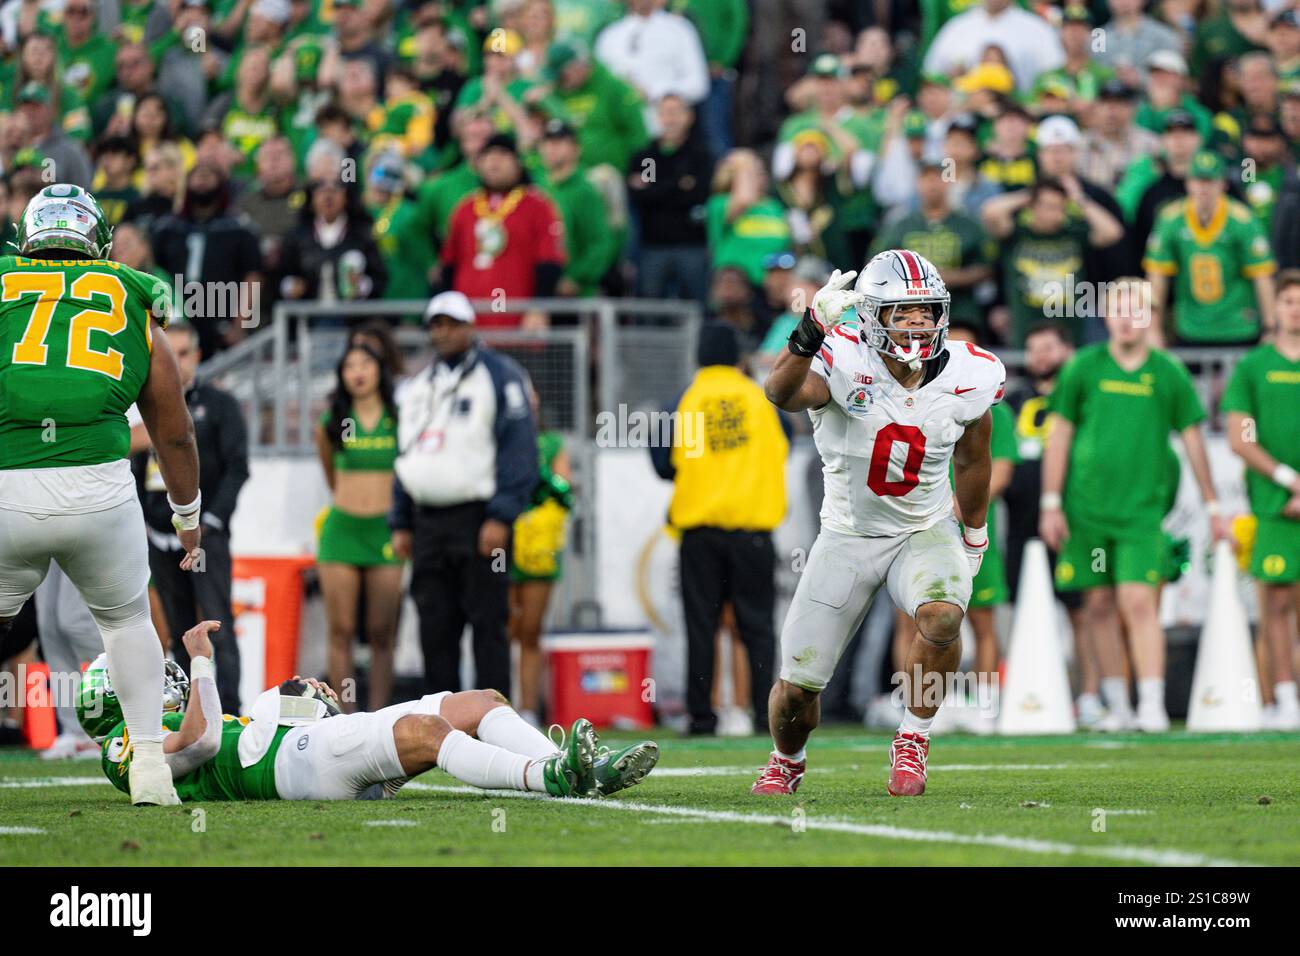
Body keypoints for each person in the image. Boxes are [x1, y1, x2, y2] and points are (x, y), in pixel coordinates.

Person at [756, 251, 1005, 797]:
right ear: (871, 316)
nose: (918, 324)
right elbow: (780, 394)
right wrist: (811, 328)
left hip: (925, 527)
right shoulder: (841, 355)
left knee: (943, 615)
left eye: (926, 311)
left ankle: (913, 736)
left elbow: (973, 457)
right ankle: (786, 759)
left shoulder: (970, 371)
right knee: (797, 688)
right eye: (902, 311)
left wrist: (975, 530)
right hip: (847, 533)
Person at [0, 183, 201, 805]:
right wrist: (187, 518)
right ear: (99, 242)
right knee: (127, 624)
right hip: (101, 491)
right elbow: (174, 429)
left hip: (9, 488)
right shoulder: (128, 290)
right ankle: (148, 766)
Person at [85, 619, 660, 801]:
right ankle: (553, 778)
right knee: (427, 731)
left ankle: (585, 768)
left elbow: (220, 732)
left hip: (293, 748)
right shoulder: (122, 749)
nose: (156, 679)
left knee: (479, 702)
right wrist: (204, 665)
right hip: (288, 770)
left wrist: (304, 704)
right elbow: (205, 744)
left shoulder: (158, 724)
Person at [1039, 279, 1229, 732]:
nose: (1126, 318)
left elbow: (1193, 438)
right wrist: (1051, 501)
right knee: (1099, 604)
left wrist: (1214, 505)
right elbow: (1060, 435)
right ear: (1105, 317)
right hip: (1086, 510)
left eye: (1136, 310)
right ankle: (1117, 704)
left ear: (1151, 317)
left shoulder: (1168, 373)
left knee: (1138, 600)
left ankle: (1151, 703)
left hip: (1143, 513)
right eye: (1118, 310)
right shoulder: (1083, 367)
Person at [390, 291, 538, 697]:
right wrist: (400, 519)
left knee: (488, 622)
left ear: (471, 327)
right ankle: (443, 726)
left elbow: (520, 449)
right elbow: (406, 456)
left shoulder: (502, 376)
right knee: (434, 625)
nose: (443, 332)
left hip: (479, 518)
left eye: (452, 323)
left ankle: (493, 720)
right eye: (436, 324)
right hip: (427, 522)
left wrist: (502, 515)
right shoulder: (416, 386)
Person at [650, 322, 787, 736]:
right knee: (758, 627)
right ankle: (767, 716)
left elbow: (661, 464)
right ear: (739, 357)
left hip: (700, 532)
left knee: (701, 627)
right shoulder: (761, 399)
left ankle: (700, 716)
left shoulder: (684, 399)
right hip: (753, 530)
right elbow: (784, 446)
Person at [133, 322, 249, 710]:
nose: (176, 362)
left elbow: (238, 467)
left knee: (217, 624)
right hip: (158, 534)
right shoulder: (142, 405)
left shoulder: (219, 406)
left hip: (205, 535)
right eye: (169, 354)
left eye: (184, 353)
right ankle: (189, 713)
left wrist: (211, 521)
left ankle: (231, 715)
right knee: (179, 631)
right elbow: (131, 465)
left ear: (198, 356)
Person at [1000, 322, 1096, 724]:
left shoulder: (1079, 397)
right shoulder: (1013, 399)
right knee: (1019, 609)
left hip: (1071, 519)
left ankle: (1091, 693)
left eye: (1049, 347)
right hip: (1020, 521)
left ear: (1067, 351)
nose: (1041, 355)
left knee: (1081, 608)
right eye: (1034, 348)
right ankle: (1020, 693)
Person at [1221, 269, 1300, 730]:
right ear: (1278, 309)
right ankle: (1283, 699)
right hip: (1275, 506)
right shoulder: (1254, 368)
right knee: (1275, 605)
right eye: (1288, 301)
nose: (1295, 309)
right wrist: (1291, 482)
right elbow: (1241, 437)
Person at [315, 344, 403, 712]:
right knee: (342, 632)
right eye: (349, 365)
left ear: (380, 369)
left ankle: (381, 718)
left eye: (366, 363)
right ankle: (346, 716)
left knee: (383, 634)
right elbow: (331, 476)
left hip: (386, 532)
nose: (358, 372)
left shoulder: (400, 417)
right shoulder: (333, 419)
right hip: (342, 531)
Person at [1144, 150, 1277, 347]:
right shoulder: (1170, 219)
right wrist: (1152, 329)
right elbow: (1157, 275)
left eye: (1210, 181)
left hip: (1238, 326)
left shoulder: (1243, 220)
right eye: (1198, 180)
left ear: (1223, 183)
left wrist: (1270, 327)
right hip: (1191, 326)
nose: (1203, 188)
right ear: (1187, 183)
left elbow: (1262, 275)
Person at [508, 384, 573, 726]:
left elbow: (565, 491)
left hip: (537, 547)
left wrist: (541, 471)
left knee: (531, 630)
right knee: (500, 627)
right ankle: (494, 705)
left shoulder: (550, 444)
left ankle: (529, 708)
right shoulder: (494, 440)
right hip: (500, 540)